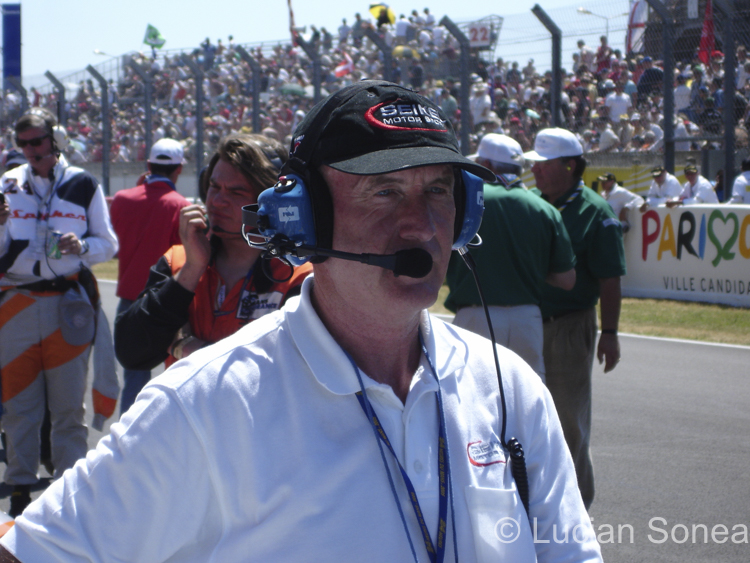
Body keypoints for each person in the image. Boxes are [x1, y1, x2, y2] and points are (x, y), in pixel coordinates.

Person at [0, 82, 601, 562]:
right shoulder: (203, 404)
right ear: (304, 217)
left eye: (439, 191)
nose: (422, 225)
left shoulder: (510, 387)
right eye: (385, 192)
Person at [0, 109, 118, 517]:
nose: (31, 150)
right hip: (15, 304)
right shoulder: (8, 185)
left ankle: (69, 490)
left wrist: (82, 247)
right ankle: (19, 486)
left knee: (68, 407)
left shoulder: (83, 182)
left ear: (57, 139)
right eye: (24, 144)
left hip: (67, 306)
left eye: (38, 141)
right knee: (19, 405)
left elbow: (109, 243)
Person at [114, 134, 312, 373]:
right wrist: (191, 271)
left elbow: (294, 371)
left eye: (236, 193)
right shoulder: (178, 261)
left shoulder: (299, 275)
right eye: (214, 187)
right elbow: (130, 353)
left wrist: (186, 347)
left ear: (272, 201)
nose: (217, 201)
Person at [525, 127, 626, 510]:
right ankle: (533, 503)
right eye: (533, 164)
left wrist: (611, 333)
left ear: (570, 166)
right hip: (528, 322)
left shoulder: (595, 213)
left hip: (569, 325)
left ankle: (576, 510)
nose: (535, 171)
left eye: (543, 164)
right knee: (523, 417)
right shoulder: (531, 203)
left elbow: (610, 278)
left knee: (568, 423)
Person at [445, 133, 576, 379]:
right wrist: (524, 266)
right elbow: (566, 279)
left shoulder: (464, 201)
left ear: (486, 166)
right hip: (526, 318)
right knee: (525, 402)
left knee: (471, 397)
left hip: (475, 314)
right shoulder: (544, 208)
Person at [109, 138, 191, 415]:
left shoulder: (122, 199)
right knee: (180, 373)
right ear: (178, 169)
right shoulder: (179, 205)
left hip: (130, 297)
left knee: (134, 376)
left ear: (148, 166)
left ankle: (127, 440)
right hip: (168, 301)